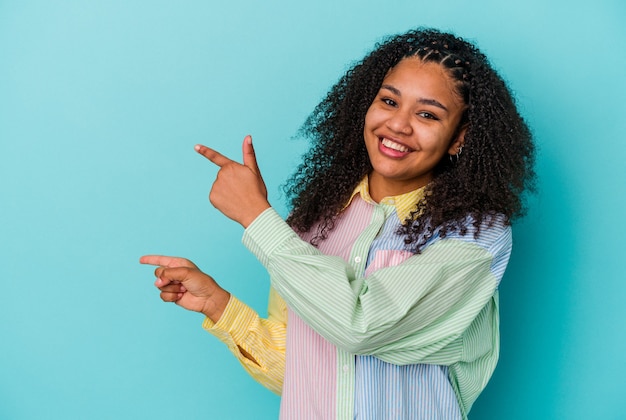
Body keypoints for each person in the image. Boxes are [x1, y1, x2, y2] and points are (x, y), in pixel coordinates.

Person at [140, 27, 535, 419]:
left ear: (458, 138)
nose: (398, 124)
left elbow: (361, 326)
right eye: (388, 101)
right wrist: (218, 305)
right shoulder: (314, 222)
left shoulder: (475, 234)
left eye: (427, 114)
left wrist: (256, 217)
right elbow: (303, 374)